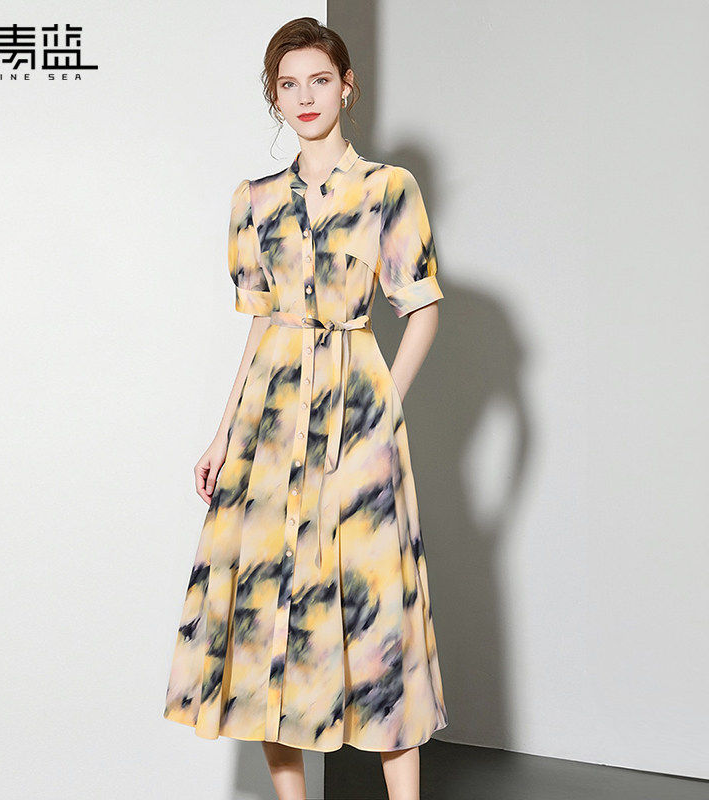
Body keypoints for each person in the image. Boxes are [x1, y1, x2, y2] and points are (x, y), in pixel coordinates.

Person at [163, 16, 448, 800]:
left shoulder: (389, 189)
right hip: (269, 422)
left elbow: (422, 310)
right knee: (267, 613)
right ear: (274, 97)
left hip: (357, 410)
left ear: (346, 86)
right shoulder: (252, 201)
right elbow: (263, 325)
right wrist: (222, 435)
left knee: (379, 619)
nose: (305, 97)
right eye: (288, 85)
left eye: (320, 80)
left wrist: (382, 412)